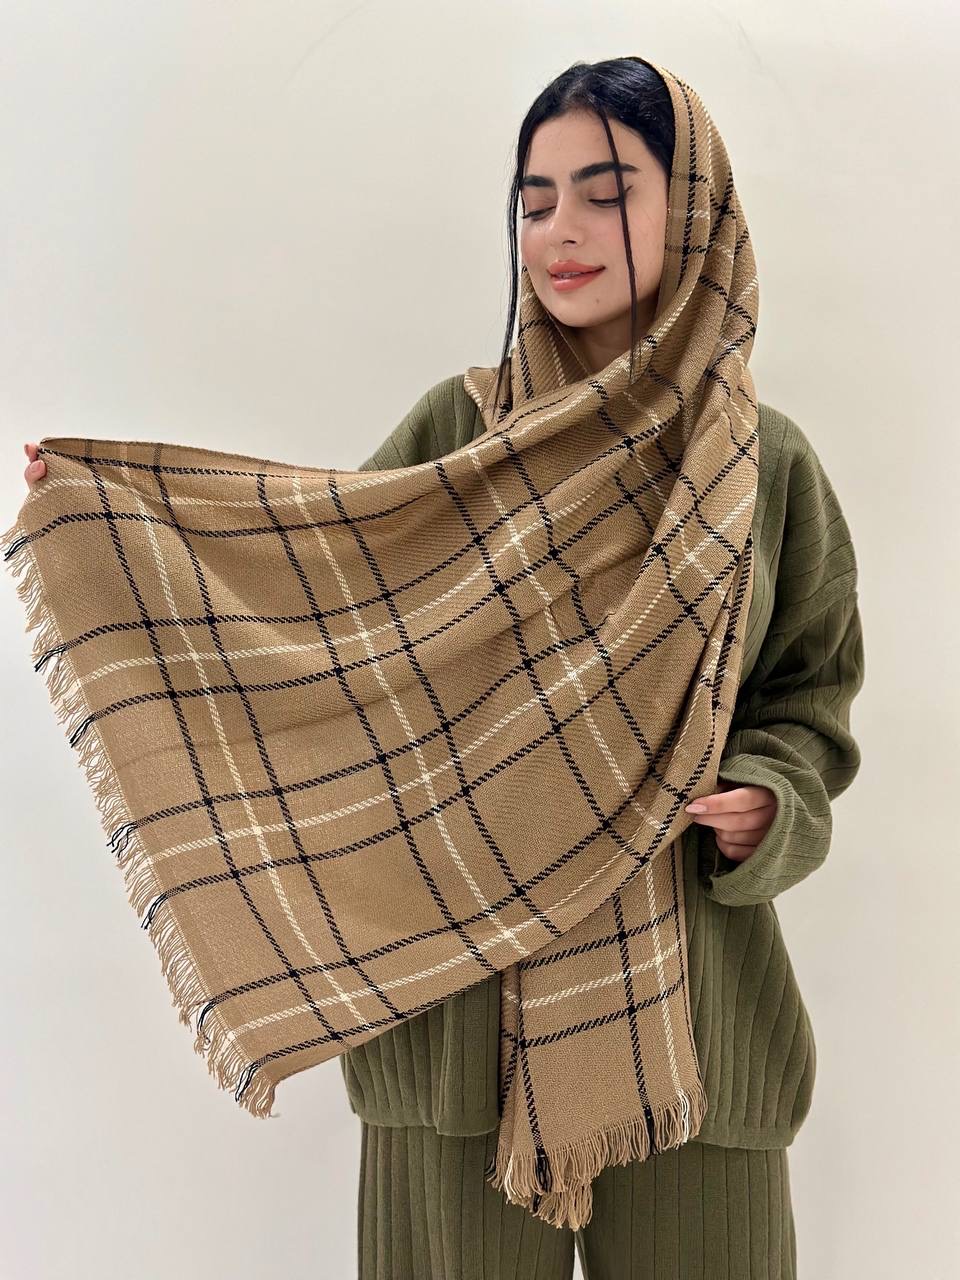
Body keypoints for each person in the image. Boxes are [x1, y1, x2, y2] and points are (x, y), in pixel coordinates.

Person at [23, 56, 865, 1280]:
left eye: (605, 193)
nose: (560, 230)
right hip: (459, 1026)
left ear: (692, 212)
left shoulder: (761, 466)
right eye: (534, 198)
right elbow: (312, 610)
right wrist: (121, 516)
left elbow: (810, 699)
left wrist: (769, 800)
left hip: (693, 1022)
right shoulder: (458, 436)